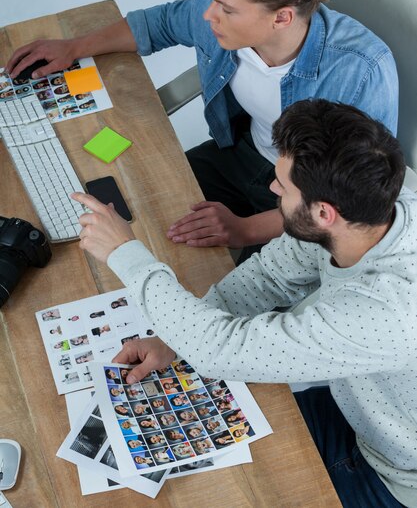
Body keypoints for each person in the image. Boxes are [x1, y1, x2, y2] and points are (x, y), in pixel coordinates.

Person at [73, 98, 416, 508]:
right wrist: (176, 342)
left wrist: (126, 254)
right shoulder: (380, 211)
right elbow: (270, 275)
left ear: (324, 212)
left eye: (283, 186)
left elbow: (222, 350)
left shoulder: (388, 311)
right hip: (364, 415)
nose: (272, 188)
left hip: (394, 478)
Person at [7, 0, 398, 262]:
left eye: (226, 9)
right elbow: (158, 24)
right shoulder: (216, 7)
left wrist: (244, 231)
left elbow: (351, 204)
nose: (208, 14)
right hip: (241, 154)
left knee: (228, 308)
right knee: (128, 216)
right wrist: (74, 47)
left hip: (308, 202)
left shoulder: (360, 71)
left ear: (281, 17)